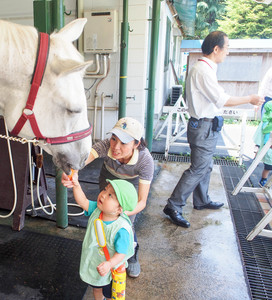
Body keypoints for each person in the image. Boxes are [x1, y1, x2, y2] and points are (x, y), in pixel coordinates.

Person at [163, 31, 264, 228]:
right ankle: (173, 205)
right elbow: (222, 100)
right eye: (226, 48)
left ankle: (201, 200)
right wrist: (249, 99)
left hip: (205, 125)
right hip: (203, 126)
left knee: (206, 166)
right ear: (216, 49)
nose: (227, 52)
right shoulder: (203, 70)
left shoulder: (205, 68)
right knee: (198, 168)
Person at [62, 117, 154, 278]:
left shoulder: (145, 161)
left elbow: (141, 201)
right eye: (113, 139)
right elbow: (82, 161)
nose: (116, 147)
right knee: (103, 213)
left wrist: (122, 214)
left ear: (136, 144)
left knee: (126, 225)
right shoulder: (106, 145)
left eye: (124, 143)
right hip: (109, 178)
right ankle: (101, 251)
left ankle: (130, 255)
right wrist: (71, 174)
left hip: (130, 185)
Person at [65, 172, 136, 300]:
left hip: (110, 269)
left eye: (110, 195)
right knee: (96, 288)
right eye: (105, 189)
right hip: (95, 263)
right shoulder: (97, 210)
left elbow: (122, 253)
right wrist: (76, 185)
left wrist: (109, 264)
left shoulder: (121, 229)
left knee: (110, 293)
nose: (103, 194)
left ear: (119, 209)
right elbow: (83, 201)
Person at [253, 101, 272, 186]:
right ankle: (263, 180)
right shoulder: (267, 123)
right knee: (267, 167)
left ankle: (265, 181)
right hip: (269, 148)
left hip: (267, 148)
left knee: (267, 167)